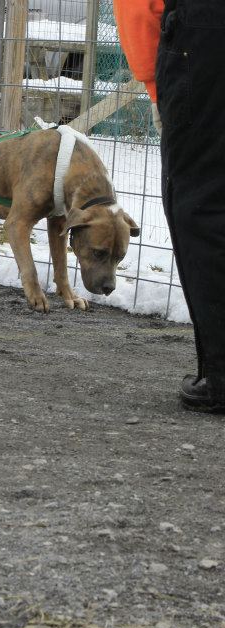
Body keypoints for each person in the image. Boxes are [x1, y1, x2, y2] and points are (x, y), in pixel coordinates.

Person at [115, 0, 225, 414]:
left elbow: (139, 7)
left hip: (206, 41)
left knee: (203, 203)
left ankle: (223, 377)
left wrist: (156, 84)